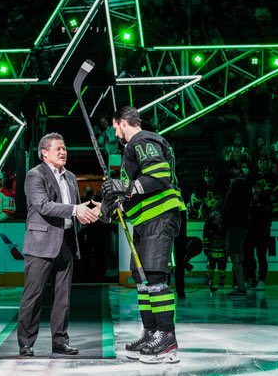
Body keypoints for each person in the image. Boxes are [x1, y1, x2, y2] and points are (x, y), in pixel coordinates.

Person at [100, 106, 185, 365]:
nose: (115, 134)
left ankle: (167, 337)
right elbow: (134, 191)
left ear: (123, 122)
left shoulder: (142, 139)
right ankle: (151, 332)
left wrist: (125, 187)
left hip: (159, 216)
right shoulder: (133, 147)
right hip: (145, 219)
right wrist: (111, 205)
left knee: (155, 275)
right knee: (142, 277)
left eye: (115, 128)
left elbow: (159, 175)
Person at [17, 132, 99, 358]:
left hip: (66, 242)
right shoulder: (35, 175)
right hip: (40, 243)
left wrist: (82, 215)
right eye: (58, 149)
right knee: (33, 295)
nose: (63, 152)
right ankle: (25, 342)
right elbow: (43, 205)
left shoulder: (71, 177)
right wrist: (75, 210)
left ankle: (60, 342)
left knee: (63, 297)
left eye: (65, 148)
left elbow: (73, 207)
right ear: (44, 153)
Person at [222, 165, 251, 296]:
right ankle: (242, 284)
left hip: (235, 225)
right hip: (241, 224)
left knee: (235, 254)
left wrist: (223, 218)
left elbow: (230, 206)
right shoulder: (245, 187)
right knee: (238, 254)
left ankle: (240, 286)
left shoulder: (236, 188)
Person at [245, 182, 273, 290]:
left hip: (262, 232)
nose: (256, 190)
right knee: (249, 257)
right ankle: (251, 277)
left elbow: (268, 214)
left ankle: (261, 279)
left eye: (258, 188)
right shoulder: (248, 199)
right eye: (254, 188)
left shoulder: (266, 199)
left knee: (261, 256)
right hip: (250, 233)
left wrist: (255, 210)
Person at [203, 208, 228, 292]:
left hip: (222, 252)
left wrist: (226, 249)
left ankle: (221, 281)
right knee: (210, 268)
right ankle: (210, 282)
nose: (220, 219)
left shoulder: (223, 226)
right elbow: (205, 237)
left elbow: (226, 238)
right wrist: (206, 248)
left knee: (222, 268)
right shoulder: (208, 226)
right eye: (218, 217)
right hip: (211, 252)